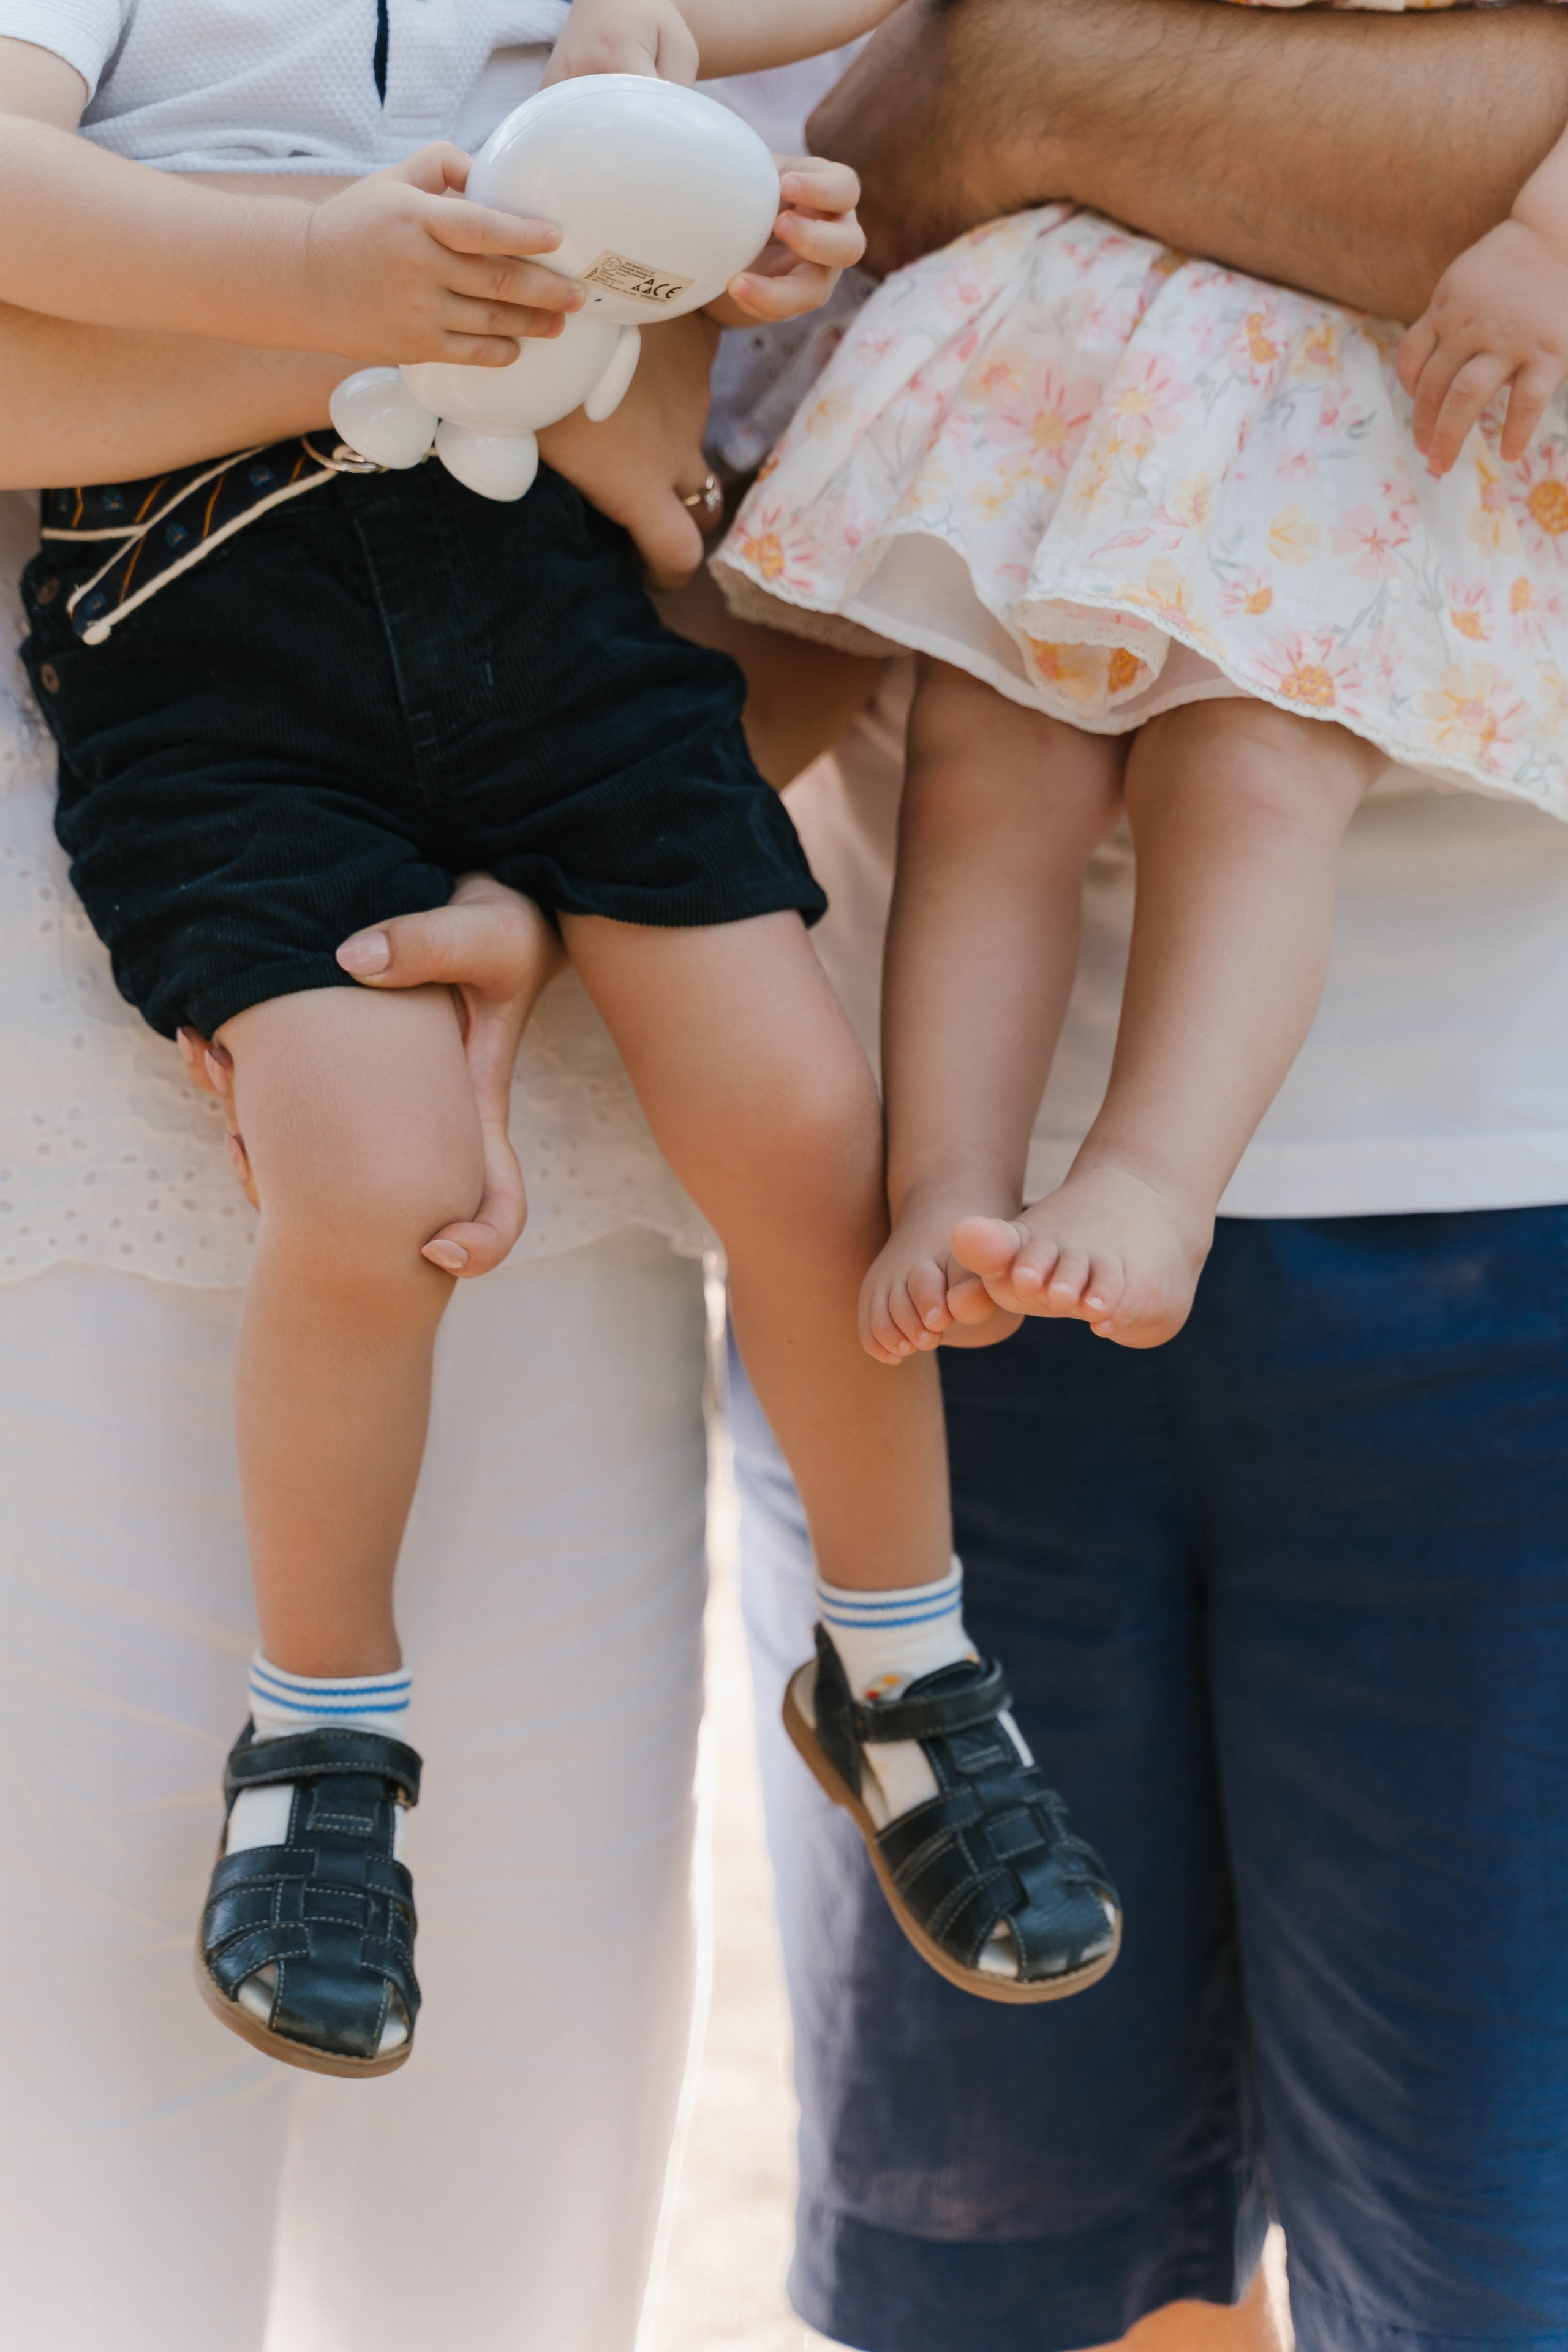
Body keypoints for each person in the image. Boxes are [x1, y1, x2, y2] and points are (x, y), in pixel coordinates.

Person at [1, 3, 1122, 2068]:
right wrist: (321, 274)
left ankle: (905, 1667)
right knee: (371, 1175)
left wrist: (683, 152)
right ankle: (322, 1745)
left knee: (805, 1122)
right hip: (209, 614)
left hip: (555, 605)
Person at [680, 4, 1568, 2348]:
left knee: (1491, 2262)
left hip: (1511, 1199)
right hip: (922, 1240)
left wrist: (1029, 94)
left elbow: (966, 95)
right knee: (1002, 2241)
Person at [0, 34, 864, 2351]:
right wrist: (383, 301)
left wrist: (548, 890)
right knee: (77, 2152)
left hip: (551, 1147)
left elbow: (751, 598)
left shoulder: (624, 38)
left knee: (517, 2145)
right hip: (83, 1133)